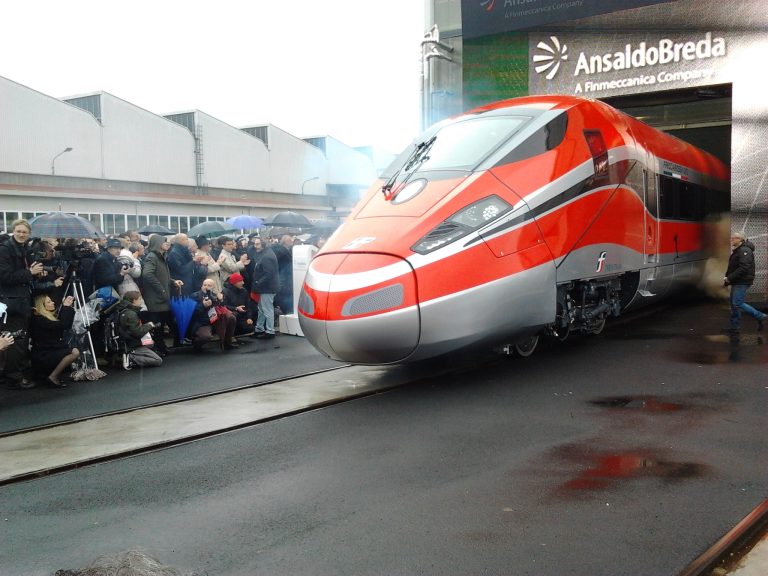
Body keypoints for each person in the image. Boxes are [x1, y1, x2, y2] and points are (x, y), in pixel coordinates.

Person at [0, 219, 51, 389]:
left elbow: (22, 276)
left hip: (20, 300)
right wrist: (29, 272)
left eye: (25, 232)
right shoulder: (5, 249)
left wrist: (37, 274)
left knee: (19, 340)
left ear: (29, 234)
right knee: (15, 340)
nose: (22, 234)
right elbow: (5, 277)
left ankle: (13, 373)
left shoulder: (23, 249)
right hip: (11, 303)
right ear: (13, 231)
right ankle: (14, 377)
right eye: (19, 231)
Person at [142, 234, 182, 355]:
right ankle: (160, 348)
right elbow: (147, 274)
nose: (167, 243)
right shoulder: (152, 257)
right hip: (156, 298)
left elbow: (163, 276)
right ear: (158, 243)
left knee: (162, 324)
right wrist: (161, 289)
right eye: (165, 242)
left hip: (162, 298)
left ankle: (163, 347)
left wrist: (173, 281)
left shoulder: (161, 256)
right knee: (157, 326)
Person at [30, 294, 80, 388]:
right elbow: (63, 324)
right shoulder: (40, 320)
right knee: (74, 352)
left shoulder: (44, 318)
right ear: (42, 306)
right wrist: (66, 307)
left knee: (70, 350)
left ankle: (50, 375)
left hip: (45, 351)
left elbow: (63, 324)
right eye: (48, 302)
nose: (53, 302)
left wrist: (66, 308)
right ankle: (53, 376)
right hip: (43, 354)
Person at [724, 231, 766, 333]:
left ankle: (760, 316)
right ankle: (734, 326)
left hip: (742, 280)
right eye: (731, 237)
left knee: (737, 303)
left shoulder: (744, 250)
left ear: (740, 240)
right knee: (734, 304)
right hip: (737, 280)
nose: (731, 240)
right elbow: (734, 266)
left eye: (734, 238)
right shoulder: (738, 250)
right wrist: (728, 279)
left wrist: (729, 278)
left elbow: (744, 268)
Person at [188, 278, 237, 352]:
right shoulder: (195, 296)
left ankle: (227, 342)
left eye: (209, 285)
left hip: (216, 320)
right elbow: (190, 312)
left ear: (213, 287)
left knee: (231, 318)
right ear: (201, 286)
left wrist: (221, 300)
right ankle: (196, 344)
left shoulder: (214, 295)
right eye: (204, 285)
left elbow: (223, 308)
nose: (206, 287)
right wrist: (203, 305)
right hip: (202, 322)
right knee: (205, 336)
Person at [116, 291, 162, 368]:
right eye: (140, 299)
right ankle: (130, 358)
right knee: (157, 360)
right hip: (131, 345)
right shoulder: (131, 314)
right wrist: (149, 325)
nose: (141, 300)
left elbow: (132, 329)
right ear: (134, 300)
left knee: (151, 343)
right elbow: (138, 333)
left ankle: (132, 355)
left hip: (125, 341)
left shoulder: (123, 310)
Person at [249, 235, 279, 339]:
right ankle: (259, 329)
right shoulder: (265, 253)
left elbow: (269, 274)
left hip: (267, 288)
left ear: (263, 244)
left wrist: (258, 282)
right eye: (254, 244)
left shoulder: (267, 256)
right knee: (262, 308)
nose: (255, 246)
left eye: (257, 244)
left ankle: (270, 331)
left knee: (266, 309)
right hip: (265, 287)